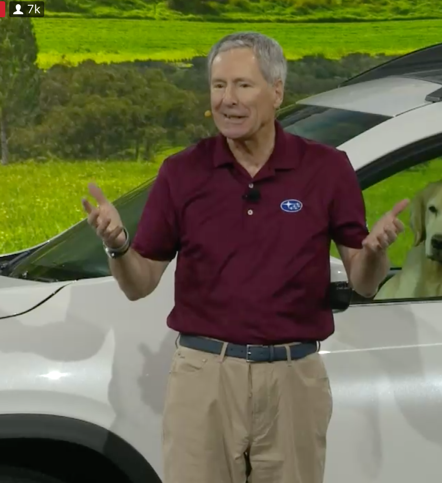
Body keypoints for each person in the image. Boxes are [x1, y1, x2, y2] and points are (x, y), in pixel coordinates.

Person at [80, 31, 407, 483]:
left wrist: (374, 252)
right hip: (204, 377)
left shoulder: (327, 169)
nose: (227, 100)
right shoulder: (182, 172)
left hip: (293, 379)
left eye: (242, 85)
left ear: (277, 91)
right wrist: (117, 244)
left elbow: (364, 282)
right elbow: (140, 283)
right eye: (218, 86)